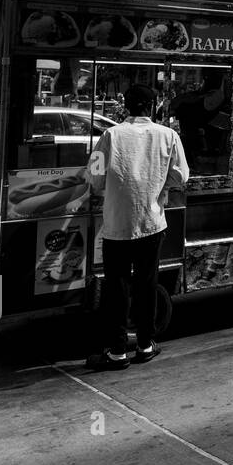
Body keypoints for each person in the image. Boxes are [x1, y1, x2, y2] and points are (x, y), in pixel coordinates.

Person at [85, 84, 189, 370]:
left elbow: (94, 178)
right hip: (152, 223)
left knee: (117, 288)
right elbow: (181, 176)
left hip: (117, 225)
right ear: (152, 105)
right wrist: (159, 188)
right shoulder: (168, 135)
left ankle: (117, 351)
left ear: (126, 107)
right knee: (146, 284)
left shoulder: (109, 135)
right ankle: (145, 344)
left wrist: (113, 189)